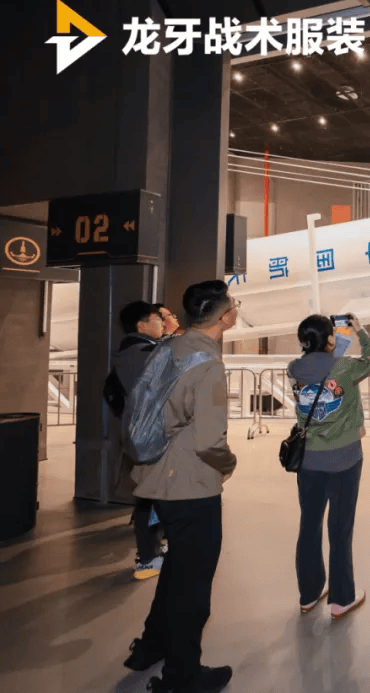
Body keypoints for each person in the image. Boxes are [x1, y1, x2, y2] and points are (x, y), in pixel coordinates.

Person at [123, 281, 238, 693]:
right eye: (234, 304)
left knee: (176, 570)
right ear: (225, 316)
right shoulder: (208, 363)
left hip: (157, 474)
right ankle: (182, 677)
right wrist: (229, 463)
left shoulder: (173, 346)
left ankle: (150, 646)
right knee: (193, 586)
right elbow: (209, 441)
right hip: (191, 485)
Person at [287, 314, 370, 619]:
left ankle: (308, 594)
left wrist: (329, 346)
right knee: (340, 529)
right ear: (330, 339)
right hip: (345, 460)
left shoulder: (293, 369)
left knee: (309, 525)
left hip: (309, 460)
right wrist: (359, 330)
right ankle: (341, 598)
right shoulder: (344, 368)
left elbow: (322, 369)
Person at [112, 300, 166, 579]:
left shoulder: (132, 351)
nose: (162, 323)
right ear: (142, 325)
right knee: (149, 497)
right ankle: (148, 557)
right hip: (151, 436)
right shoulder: (143, 353)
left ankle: (152, 552)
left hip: (142, 434)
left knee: (151, 495)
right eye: (158, 319)